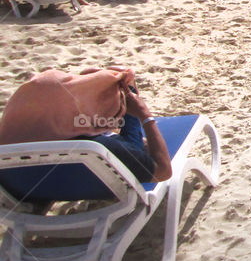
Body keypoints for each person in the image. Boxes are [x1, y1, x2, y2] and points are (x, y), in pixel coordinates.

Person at [0, 67, 172, 183]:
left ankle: (113, 91)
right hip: (97, 175)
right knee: (127, 97)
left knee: (98, 81)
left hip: (37, 186)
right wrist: (145, 116)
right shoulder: (97, 149)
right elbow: (163, 172)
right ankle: (125, 94)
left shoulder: (9, 145)